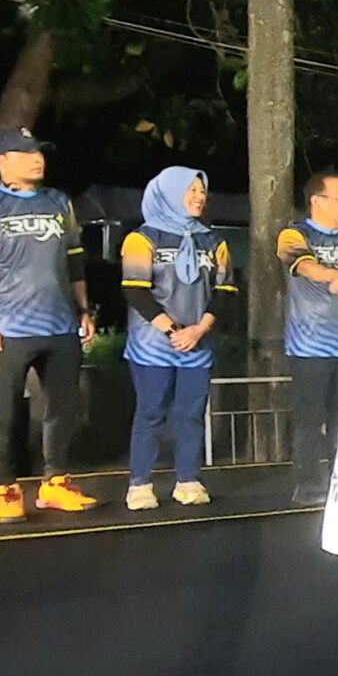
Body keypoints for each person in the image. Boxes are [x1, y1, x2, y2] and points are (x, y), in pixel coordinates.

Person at [0, 127, 101, 522]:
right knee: (3, 413)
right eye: (24, 153)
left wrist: (83, 310)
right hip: (8, 328)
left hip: (59, 324)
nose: (37, 159)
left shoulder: (58, 201)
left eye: (38, 151)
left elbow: (74, 260)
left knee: (62, 409)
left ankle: (56, 482)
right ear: (0, 160)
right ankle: (5, 488)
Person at [120, 167, 231, 509]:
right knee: (151, 411)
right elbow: (135, 290)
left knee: (191, 414)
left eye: (202, 191)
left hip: (198, 344)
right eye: (191, 190)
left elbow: (226, 290)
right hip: (153, 346)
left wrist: (199, 329)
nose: (199, 197)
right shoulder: (142, 238)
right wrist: (173, 330)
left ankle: (189, 480)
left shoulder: (213, 240)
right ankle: (140, 484)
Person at [275, 172, 338, 503]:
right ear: (317, 201)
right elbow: (305, 266)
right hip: (307, 346)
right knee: (309, 420)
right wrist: (334, 275)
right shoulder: (294, 234)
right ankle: (307, 485)